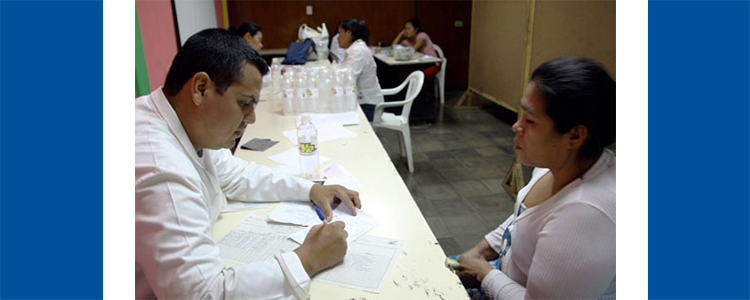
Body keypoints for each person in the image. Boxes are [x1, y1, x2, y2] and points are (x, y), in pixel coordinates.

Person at [135, 29, 362, 299]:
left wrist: (312, 190)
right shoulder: (161, 168)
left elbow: (238, 175)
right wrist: (307, 260)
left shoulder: (183, 123)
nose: (251, 118)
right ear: (201, 89)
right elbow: (202, 294)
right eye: (244, 103)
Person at [453, 57, 616, 299]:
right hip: (504, 274)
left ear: (575, 135)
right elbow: (521, 218)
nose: (516, 126)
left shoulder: (584, 215)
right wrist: (480, 251)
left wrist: (483, 273)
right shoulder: (558, 161)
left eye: (530, 120)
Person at [337, 19, 384, 121]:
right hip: (363, 103)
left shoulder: (358, 51)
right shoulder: (354, 49)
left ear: (349, 33)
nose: (338, 38)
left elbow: (347, 80)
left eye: (340, 34)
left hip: (369, 106)